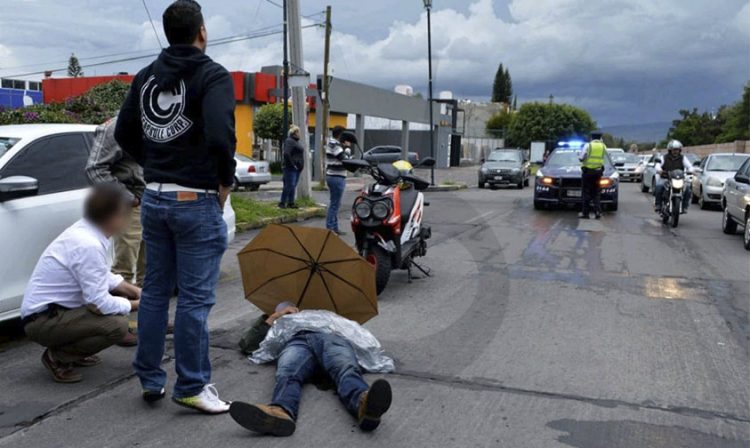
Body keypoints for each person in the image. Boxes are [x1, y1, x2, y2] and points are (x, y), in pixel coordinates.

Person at [115, 0, 236, 413]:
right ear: (201, 31)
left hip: (154, 198)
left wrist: (154, 163)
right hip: (195, 200)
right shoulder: (212, 75)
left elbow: (123, 131)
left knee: (153, 294)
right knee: (194, 301)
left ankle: (150, 379)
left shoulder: (146, 77)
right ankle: (192, 385)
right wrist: (224, 180)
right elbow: (221, 136)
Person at [21, 185, 141, 383]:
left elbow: (102, 275)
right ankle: (57, 357)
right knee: (117, 325)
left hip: (54, 313)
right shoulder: (88, 244)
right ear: (110, 216)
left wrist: (135, 291)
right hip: (43, 320)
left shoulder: (89, 230)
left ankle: (72, 350)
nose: (126, 221)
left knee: (116, 310)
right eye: (123, 215)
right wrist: (136, 304)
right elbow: (99, 303)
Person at [231, 303, 393, 437]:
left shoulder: (330, 309)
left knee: (345, 368)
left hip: (331, 337)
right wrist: (274, 317)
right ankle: (280, 410)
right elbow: (247, 345)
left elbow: (354, 332)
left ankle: (364, 405)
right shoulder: (278, 316)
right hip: (297, 342)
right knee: (287, 373)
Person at [86, 115, 147, 287]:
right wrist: (129, 199)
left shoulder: (156, 121)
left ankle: (145, 308)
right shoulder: (116, 127)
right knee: (123, 270)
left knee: (151, 270)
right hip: (131, 205)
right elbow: (94, 169)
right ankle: (117, 311)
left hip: (153, 201)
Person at [325, 126, 351, 235]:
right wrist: (348, 150)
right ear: (340, 135)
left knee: (336, 203)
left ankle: (334, 227)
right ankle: (330, 228)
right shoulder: (334, 144)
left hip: (335, 176)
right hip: (336, 177)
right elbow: (344, 159)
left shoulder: (334, 144)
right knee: (335, 204)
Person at [654, 139, 693, 214]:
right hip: (666, 178)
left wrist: (691, 170)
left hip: (679, 179)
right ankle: (658, 205)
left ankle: (685, 206)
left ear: (680, 150)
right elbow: (658, 165)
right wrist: (659, 170)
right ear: (670, 150)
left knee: (688, 189)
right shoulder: (664, 157)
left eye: (677, 150)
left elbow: (689, 166)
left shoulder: (683, 158)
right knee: (659, 186)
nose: (675, 151)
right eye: (674, 150)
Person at [578, 131, 607, 219]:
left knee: (586, 192)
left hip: (588, 172)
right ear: (600, 138)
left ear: (591, 138)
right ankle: (598, 212)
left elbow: (581, 158)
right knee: (596, 193)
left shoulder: (588, 145)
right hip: (598, 173)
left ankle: (585, 213)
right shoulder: (603, 146)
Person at [279, 125, 304, 209]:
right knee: (289, 185)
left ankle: (291, 202)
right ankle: (282, 202)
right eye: (298, 132)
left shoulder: (296, 142)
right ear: (294, 133)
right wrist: (293, 164)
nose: (299, 134)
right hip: (291, 168)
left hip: (297, 168)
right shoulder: (289, 141)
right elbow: (286, 153)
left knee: (293, 186)